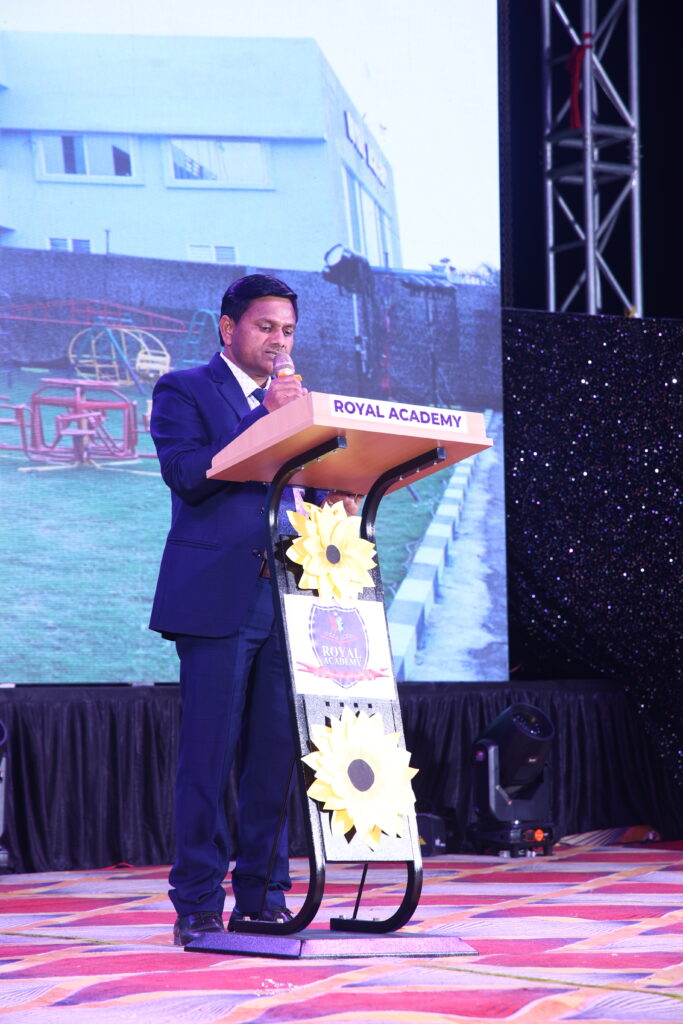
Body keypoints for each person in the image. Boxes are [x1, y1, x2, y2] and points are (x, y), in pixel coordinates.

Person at [150, 274, 355, 946]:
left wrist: (336, 497)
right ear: (228, 327)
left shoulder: (300, 407)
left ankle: (262, 896)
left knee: (273, 756)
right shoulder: (185, 390)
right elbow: (190, 474)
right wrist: (266, 415)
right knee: (208, 758)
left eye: (288, 331)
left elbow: (303, 489)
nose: (279, 342)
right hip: (218, 595)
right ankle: (198, 901)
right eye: (266, 327)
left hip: (291, 596)